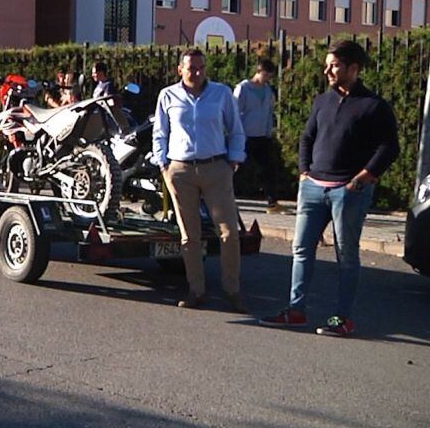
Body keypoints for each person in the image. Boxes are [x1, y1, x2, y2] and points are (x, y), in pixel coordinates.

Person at [259, 40, 399, 337]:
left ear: (354, 68)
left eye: (334, 65)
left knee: (346, 254)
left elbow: (389, 147)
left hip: (347, 191)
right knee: (301, 249)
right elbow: (307, 137)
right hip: (312, 188)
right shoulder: (322, 101)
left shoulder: (374, 106)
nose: (327, 71)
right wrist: (303, 173)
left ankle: (342, 318)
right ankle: (295, 311)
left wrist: (362, 178)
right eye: (327, 65)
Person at [153, 49, 247, 311]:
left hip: (216, 167)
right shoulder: (168, 95)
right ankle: (196, 290)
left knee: (229, 232)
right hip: (181, 171)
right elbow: (160, 133)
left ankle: (233, 290)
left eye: (200, 68)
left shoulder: (221, 93)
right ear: (180, 69)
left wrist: (234, 160)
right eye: (191, 68)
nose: (196, 72)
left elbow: (236, 129)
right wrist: (163, 165)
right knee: (189, 236)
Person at [234, 58, 282, 212]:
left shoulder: (267, 90)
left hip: (262, 136)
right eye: (266, 75)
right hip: (245, 136)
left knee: (269, 168)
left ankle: (272, 202)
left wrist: (269, 132)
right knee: (237, 169)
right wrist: (237, 134)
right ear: (259, 72)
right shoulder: (243, 88)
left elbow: (269, 113)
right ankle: (227, 198)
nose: (268, 79)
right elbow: (235, 112)